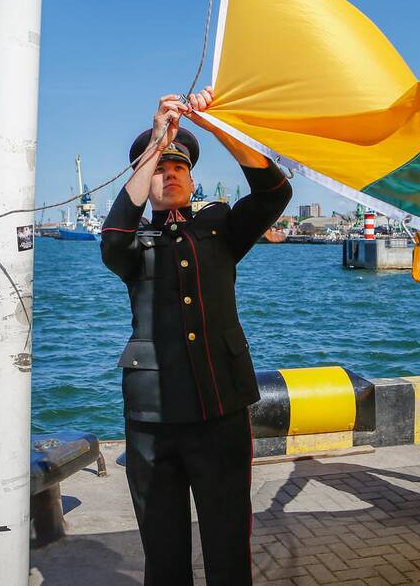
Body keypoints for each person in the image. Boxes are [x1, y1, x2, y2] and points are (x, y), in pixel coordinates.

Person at [100, 88, 292, 585]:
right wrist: (155, 142)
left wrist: (217, 128)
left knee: (228, 545)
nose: (170, 174)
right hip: (153, 418)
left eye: (178, 167)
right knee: (163, 554)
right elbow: (113, 237)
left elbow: (275, 193)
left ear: (192, 177)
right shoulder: (132, 241)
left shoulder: (221, 226)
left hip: (218, 406)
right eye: (160, 169)